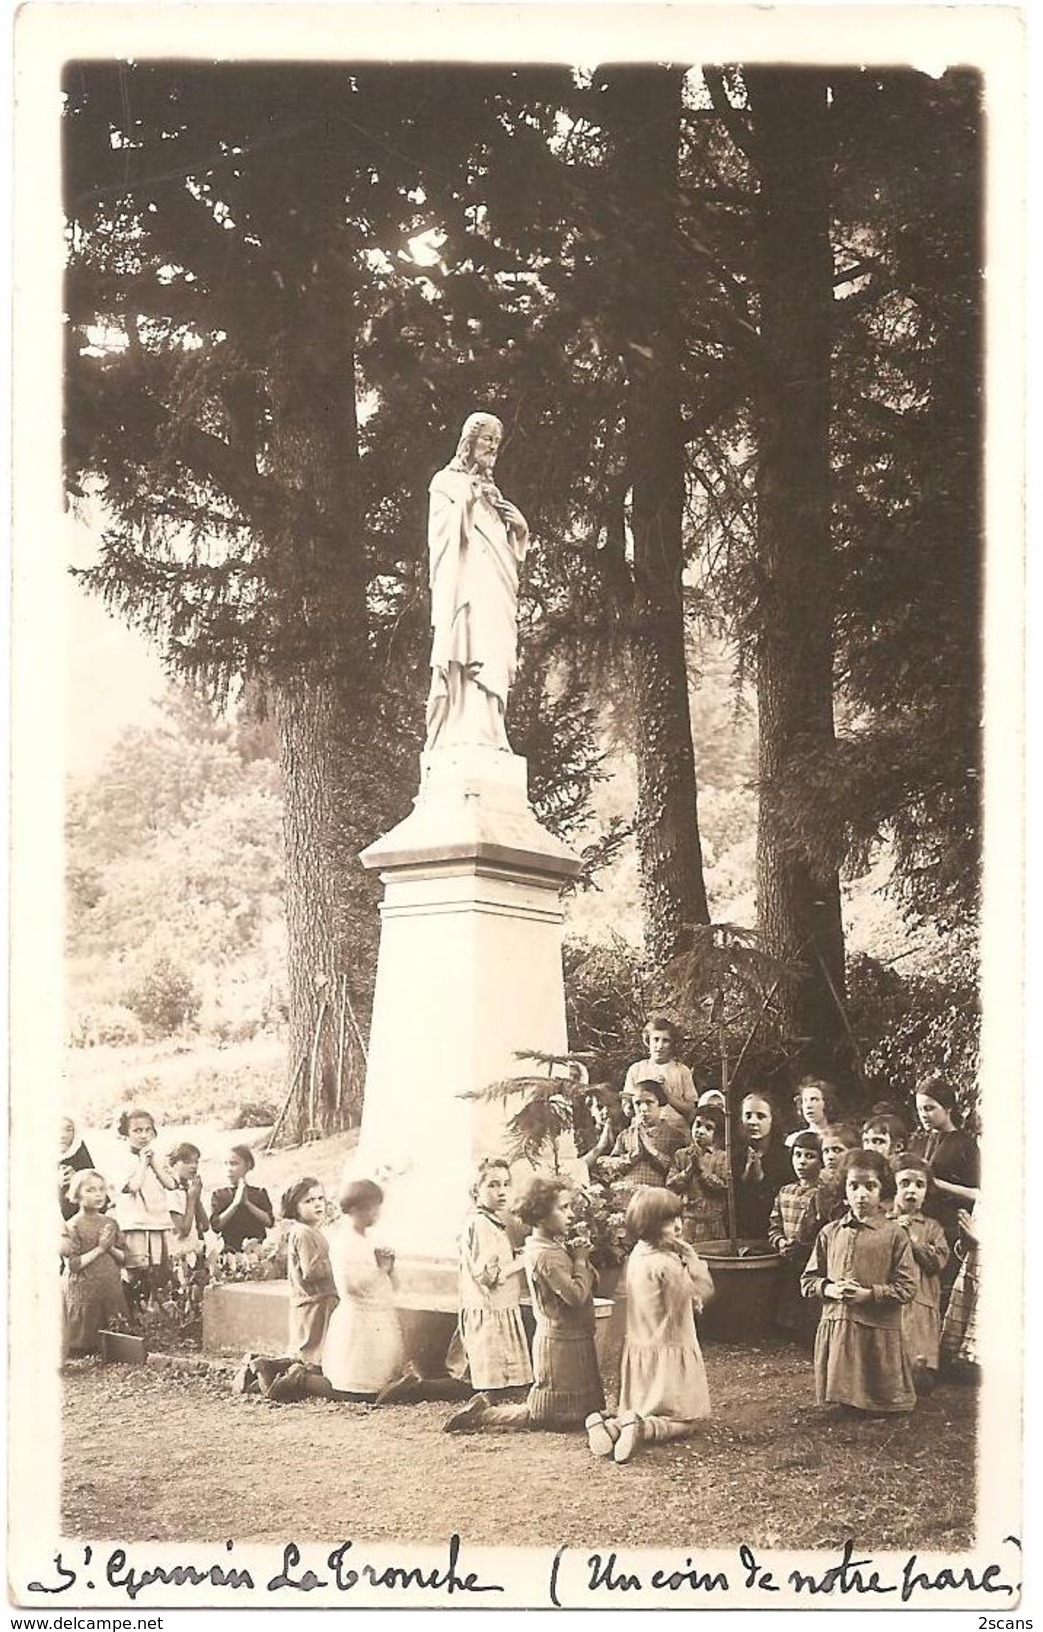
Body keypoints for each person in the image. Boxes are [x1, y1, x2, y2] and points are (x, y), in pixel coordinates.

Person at [444, 1177, 603, 1433]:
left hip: (573, 1338)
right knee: (544, 1415)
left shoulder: (553, 1247)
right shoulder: (544, 1255)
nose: (571, 1215)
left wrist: (578, 1258)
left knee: (578, 1411)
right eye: (563, 1209)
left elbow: (590, 1283)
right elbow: (575, 1296)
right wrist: (581, 1262)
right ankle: (486, 1413)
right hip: (559, 1343)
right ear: (540, 1216)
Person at [425, 412, 529, 753]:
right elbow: (440, 540)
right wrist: (467, 501)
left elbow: (502, 551)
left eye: (496, 442)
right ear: (469, 441)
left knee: (495, 653)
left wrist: (520, 531)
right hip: (466, 590)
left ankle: (492, 732)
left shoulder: (492, 494)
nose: (492, 447)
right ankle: (464, 730)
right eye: (487, 439)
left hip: (495, 591)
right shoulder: (445, 482)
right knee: (469, 651)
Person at [586, 1187, 713, 1464]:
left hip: (642, 1348)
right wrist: (692, 1262)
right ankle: (644, 1428)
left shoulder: (636, 1257)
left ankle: (612, 1426)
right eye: (669, 1221)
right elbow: (700, 1292)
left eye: (678, 1218)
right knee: (684, 1421)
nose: (678, 1226)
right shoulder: (666, 1263)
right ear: (650, 1225)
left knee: (642, 1408)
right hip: (668, 1349)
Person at [800, 1148, 917, 1414]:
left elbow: (907, 1286)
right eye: (854, 1186)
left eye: (870, 1186)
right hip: (838, 1319)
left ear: (882, 1190)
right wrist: (830, 1288)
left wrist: (869, 1295)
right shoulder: (830, 1232)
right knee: (839, 1405)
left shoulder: (894, 1234)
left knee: (880, 1401)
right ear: (844, 1189)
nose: (861, 1194)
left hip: (877, 1323)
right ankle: (841, 1397)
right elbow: (808, 1280)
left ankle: (877, 1401)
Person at [448, 1158, 533, 1395]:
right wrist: (523, 1260)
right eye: (493, 1185)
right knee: (489, 1381)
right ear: (476, 1190)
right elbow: (488, 1276)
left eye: (506, 1184)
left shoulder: (487, 1221)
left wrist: (514, 1254)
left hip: (494, 1306)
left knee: (484, 1379)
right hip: (491, 1310)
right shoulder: (482, 1224)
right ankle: (418, 1388)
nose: (502, 1191)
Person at [322, 1179, 406, 1398]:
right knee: (353, 1386)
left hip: (378, 1316)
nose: (376, 1213)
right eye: (372, 1207)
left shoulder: (369, 1239)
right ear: (355, 1209)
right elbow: (350, 1286)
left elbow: (390, 1283)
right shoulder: (345, 1242)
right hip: (359, 1318)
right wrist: (379, 1269)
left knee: (380, 1381)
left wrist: (389, 1267)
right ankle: (299, 1380)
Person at [890, 1156, 949, 1392]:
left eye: (919, 1185)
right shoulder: (884, 1221)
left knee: (919, 1336)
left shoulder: (931, 1227)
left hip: (921, 1295)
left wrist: (912, 1241)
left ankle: (921, 1372)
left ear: (926, 1192)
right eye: (904, 1183)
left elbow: (937, 1261)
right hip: (892, 1294)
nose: (911, 1191)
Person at [111, 1108, 179, 1311]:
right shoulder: (123, 1159)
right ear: (126, 1133)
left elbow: (171, 1184)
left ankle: (156, 1312)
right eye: (137, 1130)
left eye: (148, 1130)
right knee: (136, 1271)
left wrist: (153, 1163)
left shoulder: (156, 1159)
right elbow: (132, 1186)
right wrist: (142, 1163)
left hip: (157, 1221)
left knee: (157, 1271)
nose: (143, 1135)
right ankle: (134, 1312)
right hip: (135, 1223)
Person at [908, 1076, 980, 1269]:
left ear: (948, 1108)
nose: (923, 1114)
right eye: (920, 1109)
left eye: (929, 1108)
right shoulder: (917, 1142)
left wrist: (938, 1184)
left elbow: (978, 1194)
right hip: (916, 1227)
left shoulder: (965, 1145)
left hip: (949, 1228)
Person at [61, 1170, 128, 1357]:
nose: (98, 1195)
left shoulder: (110, 1223)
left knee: (115, 1338)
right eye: (90, 1190)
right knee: (85, 1347)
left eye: (101, 1190)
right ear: (77, 1194)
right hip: (84, 1289)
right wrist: (99, 1249)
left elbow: (125, 1258)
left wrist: (110, 1248)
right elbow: (73, 1265)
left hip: (109, 1287)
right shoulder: (72, 1225)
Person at [594, 1080, 686, 1209]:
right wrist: (630, 1159)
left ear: (660, 1104)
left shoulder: (674, 1136)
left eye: (649, 1103)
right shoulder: (625, 1135)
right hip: (630, 1202)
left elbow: (678, 1174)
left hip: (660, 1202)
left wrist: (652, 1151)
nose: (643, 1109)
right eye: (638, 1104)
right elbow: (611, 1170)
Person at [768, 1130, 822, 1338]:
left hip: (810, 1257)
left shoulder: (821, 1194)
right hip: (786, 1257)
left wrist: (802, 1245)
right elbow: (774, 1224)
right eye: (798, 1155)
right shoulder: (785, 1191)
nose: (802, 1162)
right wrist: (780, 1241)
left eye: (809, 1156)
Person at [282, 1178, 339, 1373]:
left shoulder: (313, 1231)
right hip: (314, 1303)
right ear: (295, 1208)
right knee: (310, 1354)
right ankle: (277, 1373)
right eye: (308, 1201)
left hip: (318, 1303)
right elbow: (312, 1272)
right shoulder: (304, 1233)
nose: (317, 1204)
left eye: (320, 1198)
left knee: (313, 1351)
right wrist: (337, 1263)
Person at [666, 1103, 730, 1243]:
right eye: (698, 1124)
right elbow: (670, 1185)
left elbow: (723, 1187)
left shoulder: (722, 1157)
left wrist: (701, 1169)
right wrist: (688, 1172)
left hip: (713, 1223)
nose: (700, 1131)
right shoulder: (681, 1155)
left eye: (708, 1128)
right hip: (687, 1221)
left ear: (718, 1134)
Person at [732, 1092, 792, 1240]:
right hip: (741, 1235)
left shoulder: (787, 1157)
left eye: (760, 1116)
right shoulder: (734, 1157)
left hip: (776, 1235)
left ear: (772, 1120)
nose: (753, 1122)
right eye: (748, 1116)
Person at [622, 1018, 697, 1131]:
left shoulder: (682, 1071)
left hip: (676, 1130)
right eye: (656, 1039)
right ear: (648, 1041)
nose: (660, 1045)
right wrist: (631, 1105)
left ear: (672, 1044)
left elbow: (691, 1110)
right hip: (643, 1131)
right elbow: (627, 1108)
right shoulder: (636, 1069)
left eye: (665, 1040)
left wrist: (667, 1096)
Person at [795, 1122, 861, 1248]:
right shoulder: (823, 1191)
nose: (830, 1157)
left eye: (837, 1150)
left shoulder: (861, 1186)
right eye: (826, 1151)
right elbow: (807, 1235)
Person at [940, 1201, 981, 1378]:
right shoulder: (985, 1201)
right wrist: (966, 1241)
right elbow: (966, 1249)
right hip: (973, 1271)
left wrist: (981, 1240)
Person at [209, 1145, 274, 1254]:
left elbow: (270, 1222)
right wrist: (235, 1204)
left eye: (234, 1163)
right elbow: (216, 1226)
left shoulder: (259, 1193)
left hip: (256, 1252)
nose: (229, 1168)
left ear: (248, 1165)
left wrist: (247, 1204)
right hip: (230, 1254)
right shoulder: (219, 1195)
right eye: (226, 1164)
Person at [59, 1116, 96, 1222]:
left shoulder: (81, 1156)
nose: (63, 1135)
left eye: (68, 1129)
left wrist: (78, 1180)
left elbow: (101, 1207)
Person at [786, 1077, 840, 1148]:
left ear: (827, 1103)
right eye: (805, 1101)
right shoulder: (793, 1140)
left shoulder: (840, 1136)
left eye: (814, 1099)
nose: (808, 1106)